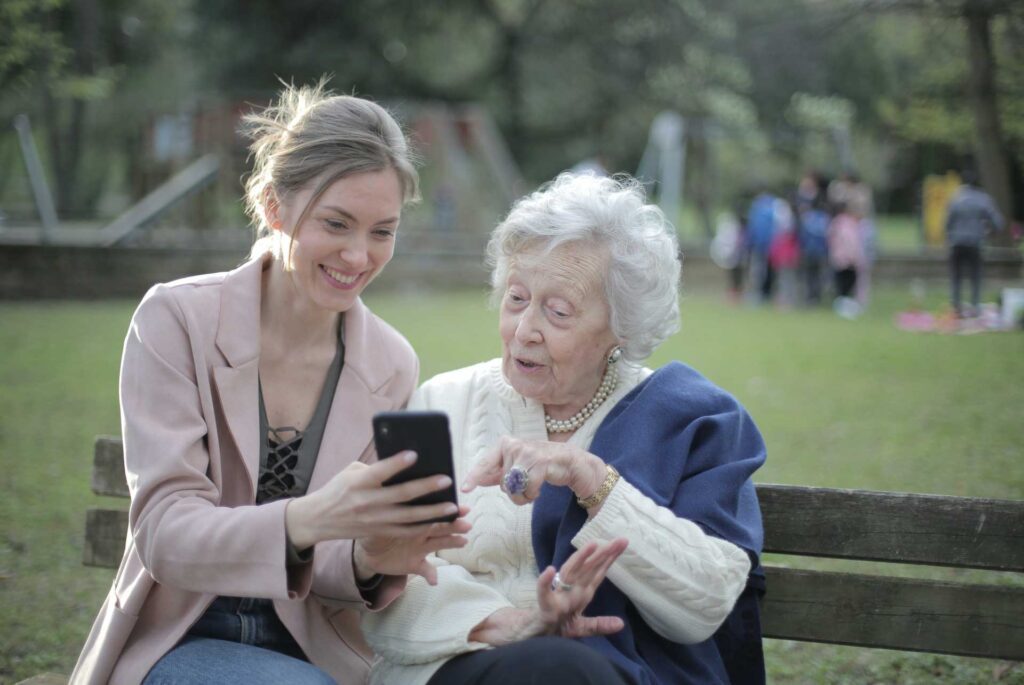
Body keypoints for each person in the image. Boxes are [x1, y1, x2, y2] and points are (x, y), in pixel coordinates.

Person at [71, 81, 470, 685]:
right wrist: (306, 518)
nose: (358, 256)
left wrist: (370, 556)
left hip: (320, 654)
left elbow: (335, 562)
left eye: (382, 231)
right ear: (272, 205)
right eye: (336, 223)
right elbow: (165, 532)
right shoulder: (176, 319)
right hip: (179, 639)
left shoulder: (391, 361)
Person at [361, 173, 768, 685]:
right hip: (453, 668)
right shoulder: (442, 403)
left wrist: (593, 481)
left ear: (621, 328)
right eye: (515, 298)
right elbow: (387, 576)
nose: (524, 329)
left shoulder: (691, 420)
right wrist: (507, 623)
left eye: (557, 312)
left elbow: (706, 603)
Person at [945, 169, 1005, 317]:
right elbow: (998, 222)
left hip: (957, 243)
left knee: (956, 276)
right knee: (976, 276)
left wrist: (951, 235)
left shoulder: (955, 198)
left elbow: (947, 223)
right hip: (975, 242)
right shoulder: (983, 199)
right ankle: (975, 307)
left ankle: (956, 307)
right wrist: (989, 233)